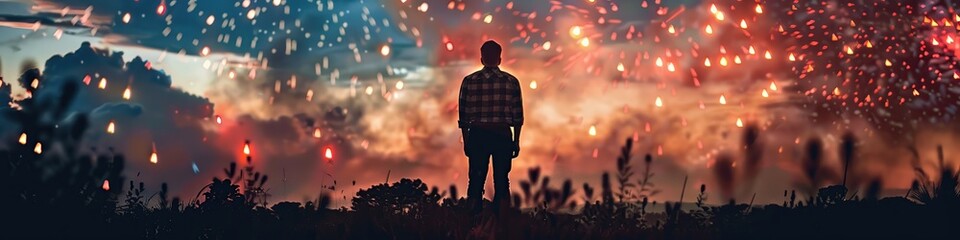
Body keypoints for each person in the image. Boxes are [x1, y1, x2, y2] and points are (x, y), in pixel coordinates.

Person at [458, 40, 523, 214]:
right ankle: (502, 222)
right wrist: (516, 141)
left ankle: (473, 221)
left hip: (478, 134)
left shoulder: (469, 81)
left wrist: (467, 141)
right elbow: (517, 117)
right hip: (502, 134)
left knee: (476, 180)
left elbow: (463, 117)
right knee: (502, 180)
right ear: (499, 59)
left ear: (481, 59)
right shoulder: (511, 82)